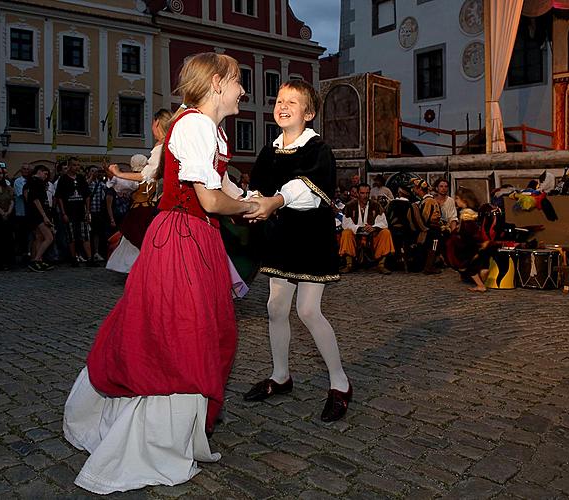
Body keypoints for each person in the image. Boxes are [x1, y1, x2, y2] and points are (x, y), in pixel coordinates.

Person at [63, 52, 267, 494]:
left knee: (202, 332)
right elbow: (213, 201)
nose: (242, 91)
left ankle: (176, 433)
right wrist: (254, 206)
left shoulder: (205, 128)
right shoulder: (193, 124)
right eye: (237, 81)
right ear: (216, 83)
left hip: (198, 237)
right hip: (182, 238)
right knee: (181, 334)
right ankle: (156, 441)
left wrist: (259, 200)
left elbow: (223, 187)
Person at [243, 80, 352, 422]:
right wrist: (244, 203)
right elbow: (257, 189)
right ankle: (280, 376)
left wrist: (274, 200)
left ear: (309, 112)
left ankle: (340, 382)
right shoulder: (269, 149)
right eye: (279, 99)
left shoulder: (317, 149)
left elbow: (305, 190)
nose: (283, 105)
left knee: (307, 310)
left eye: (292, 101)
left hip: (310, 238)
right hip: (280, 237)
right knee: (275, 307)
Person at [105, 109, 172, 273]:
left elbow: (144, 176)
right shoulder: (173, 144)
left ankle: (146, 269)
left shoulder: (162, 147)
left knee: (144, 241)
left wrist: (118, 174)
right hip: (163, 207)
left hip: (153, 210)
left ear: (156, 123)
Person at [339, 183, 394, 274]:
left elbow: (383, 222)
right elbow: (346, 223)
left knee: (386, 232)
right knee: (346, 232)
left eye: (367, 193)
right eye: (362, 193)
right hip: (355, 235)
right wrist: (359, 228)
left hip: (372, 235)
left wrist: (374, 227)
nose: (365, 196)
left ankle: (381, 265)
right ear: (357, 194)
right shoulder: (350, 205)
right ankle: (349, 264)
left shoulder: (376, 205)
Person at [446, 187, 491, 292]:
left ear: (464, 200)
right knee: (476, 263)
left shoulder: (466, 214)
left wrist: (457, 235)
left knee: (467, 265)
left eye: (457, 198)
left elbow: (468, 230)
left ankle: (480, 285)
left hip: (468, 243)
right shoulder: (470, 212)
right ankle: (483, 273)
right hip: (473, 243)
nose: (456, 201)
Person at [54, 157, 92, 266]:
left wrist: (87, 211)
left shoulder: (81, 178)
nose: (76, 167)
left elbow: (87, 195)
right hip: (69, 212)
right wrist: (63, 213)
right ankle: (73, 258)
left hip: (81, 211)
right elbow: (59, 197)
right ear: (69, 166)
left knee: (85, 235)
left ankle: (89, 258)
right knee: (71, 236)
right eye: (74, 165)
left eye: (78, 165)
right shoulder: (63, 179)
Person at [24, 165, 55, 272]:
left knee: (39, 237)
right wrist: (44, 216)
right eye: (45, 173)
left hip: (35, 213)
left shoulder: (32, 182)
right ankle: (36, 260)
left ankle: (38, 260)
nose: (46, 176)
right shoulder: (36, 182)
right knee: (49, 237)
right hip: (37, 214)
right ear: (39, 172)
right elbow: (35, 200)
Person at [410, 178, 442, 274]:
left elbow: (425, 217)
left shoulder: (428, 201)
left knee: (433, 247)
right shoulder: (426, 200)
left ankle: (429, 267)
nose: (413, 190)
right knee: (431, 247)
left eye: (415, 188)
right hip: (431, 228)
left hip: (432, 229)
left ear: (419, 189)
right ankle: (428, 266)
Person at [85, 165, 107, 262]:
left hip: (98, 211)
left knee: (97, 232)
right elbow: (84, 188)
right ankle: (88, 253)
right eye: (92, 171)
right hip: (88, 211)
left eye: (96, 171)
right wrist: (90, 178)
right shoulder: (86, 182)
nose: (94, 173)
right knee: (88, 233)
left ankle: (96, 252)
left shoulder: (100, 183)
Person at [13, 163, 31, 259]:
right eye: (24, 169)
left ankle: (28, 252)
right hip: (21, 212)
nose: (26, 171)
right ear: (21, 170)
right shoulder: (18, 181)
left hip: (30, 212)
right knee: (21, 235)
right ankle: (22, 254)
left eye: (28, 169)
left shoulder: (32, 181)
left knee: (29, 234)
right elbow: (23, 195)